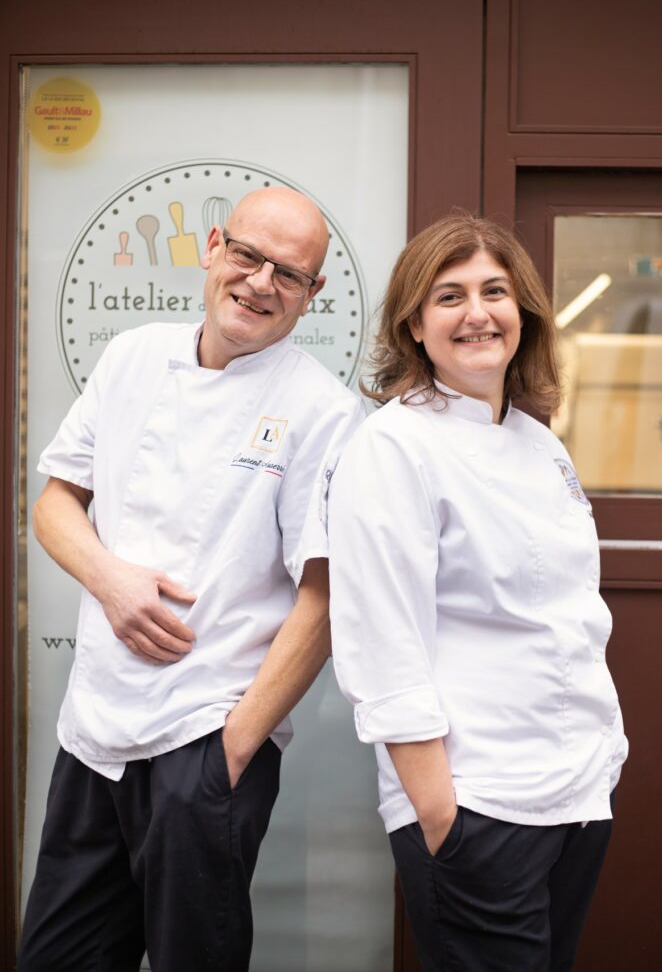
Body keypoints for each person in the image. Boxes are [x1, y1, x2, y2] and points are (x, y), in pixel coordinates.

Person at [19, 186, 365, 972]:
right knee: (56, 956)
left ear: (310, 297)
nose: (259, 282)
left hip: (201, 739)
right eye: (247, 255)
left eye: (288, 272)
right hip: (94, 735)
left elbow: (324, 596)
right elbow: (55, 502)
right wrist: (110, 580)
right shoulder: (134, 355)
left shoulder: (321, 410)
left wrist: (231, 749)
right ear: (213, 247)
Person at [328, 212, 628, 972]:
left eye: (494, 291)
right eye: (449, 296)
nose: (476, 314)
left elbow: (564, 613)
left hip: (572, 794)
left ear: (522, 313)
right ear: (414, 325)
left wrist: (601, 764)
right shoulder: (393, 445)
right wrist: (439, 815)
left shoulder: (537, 444)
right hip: (478, 802)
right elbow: (381, 640)